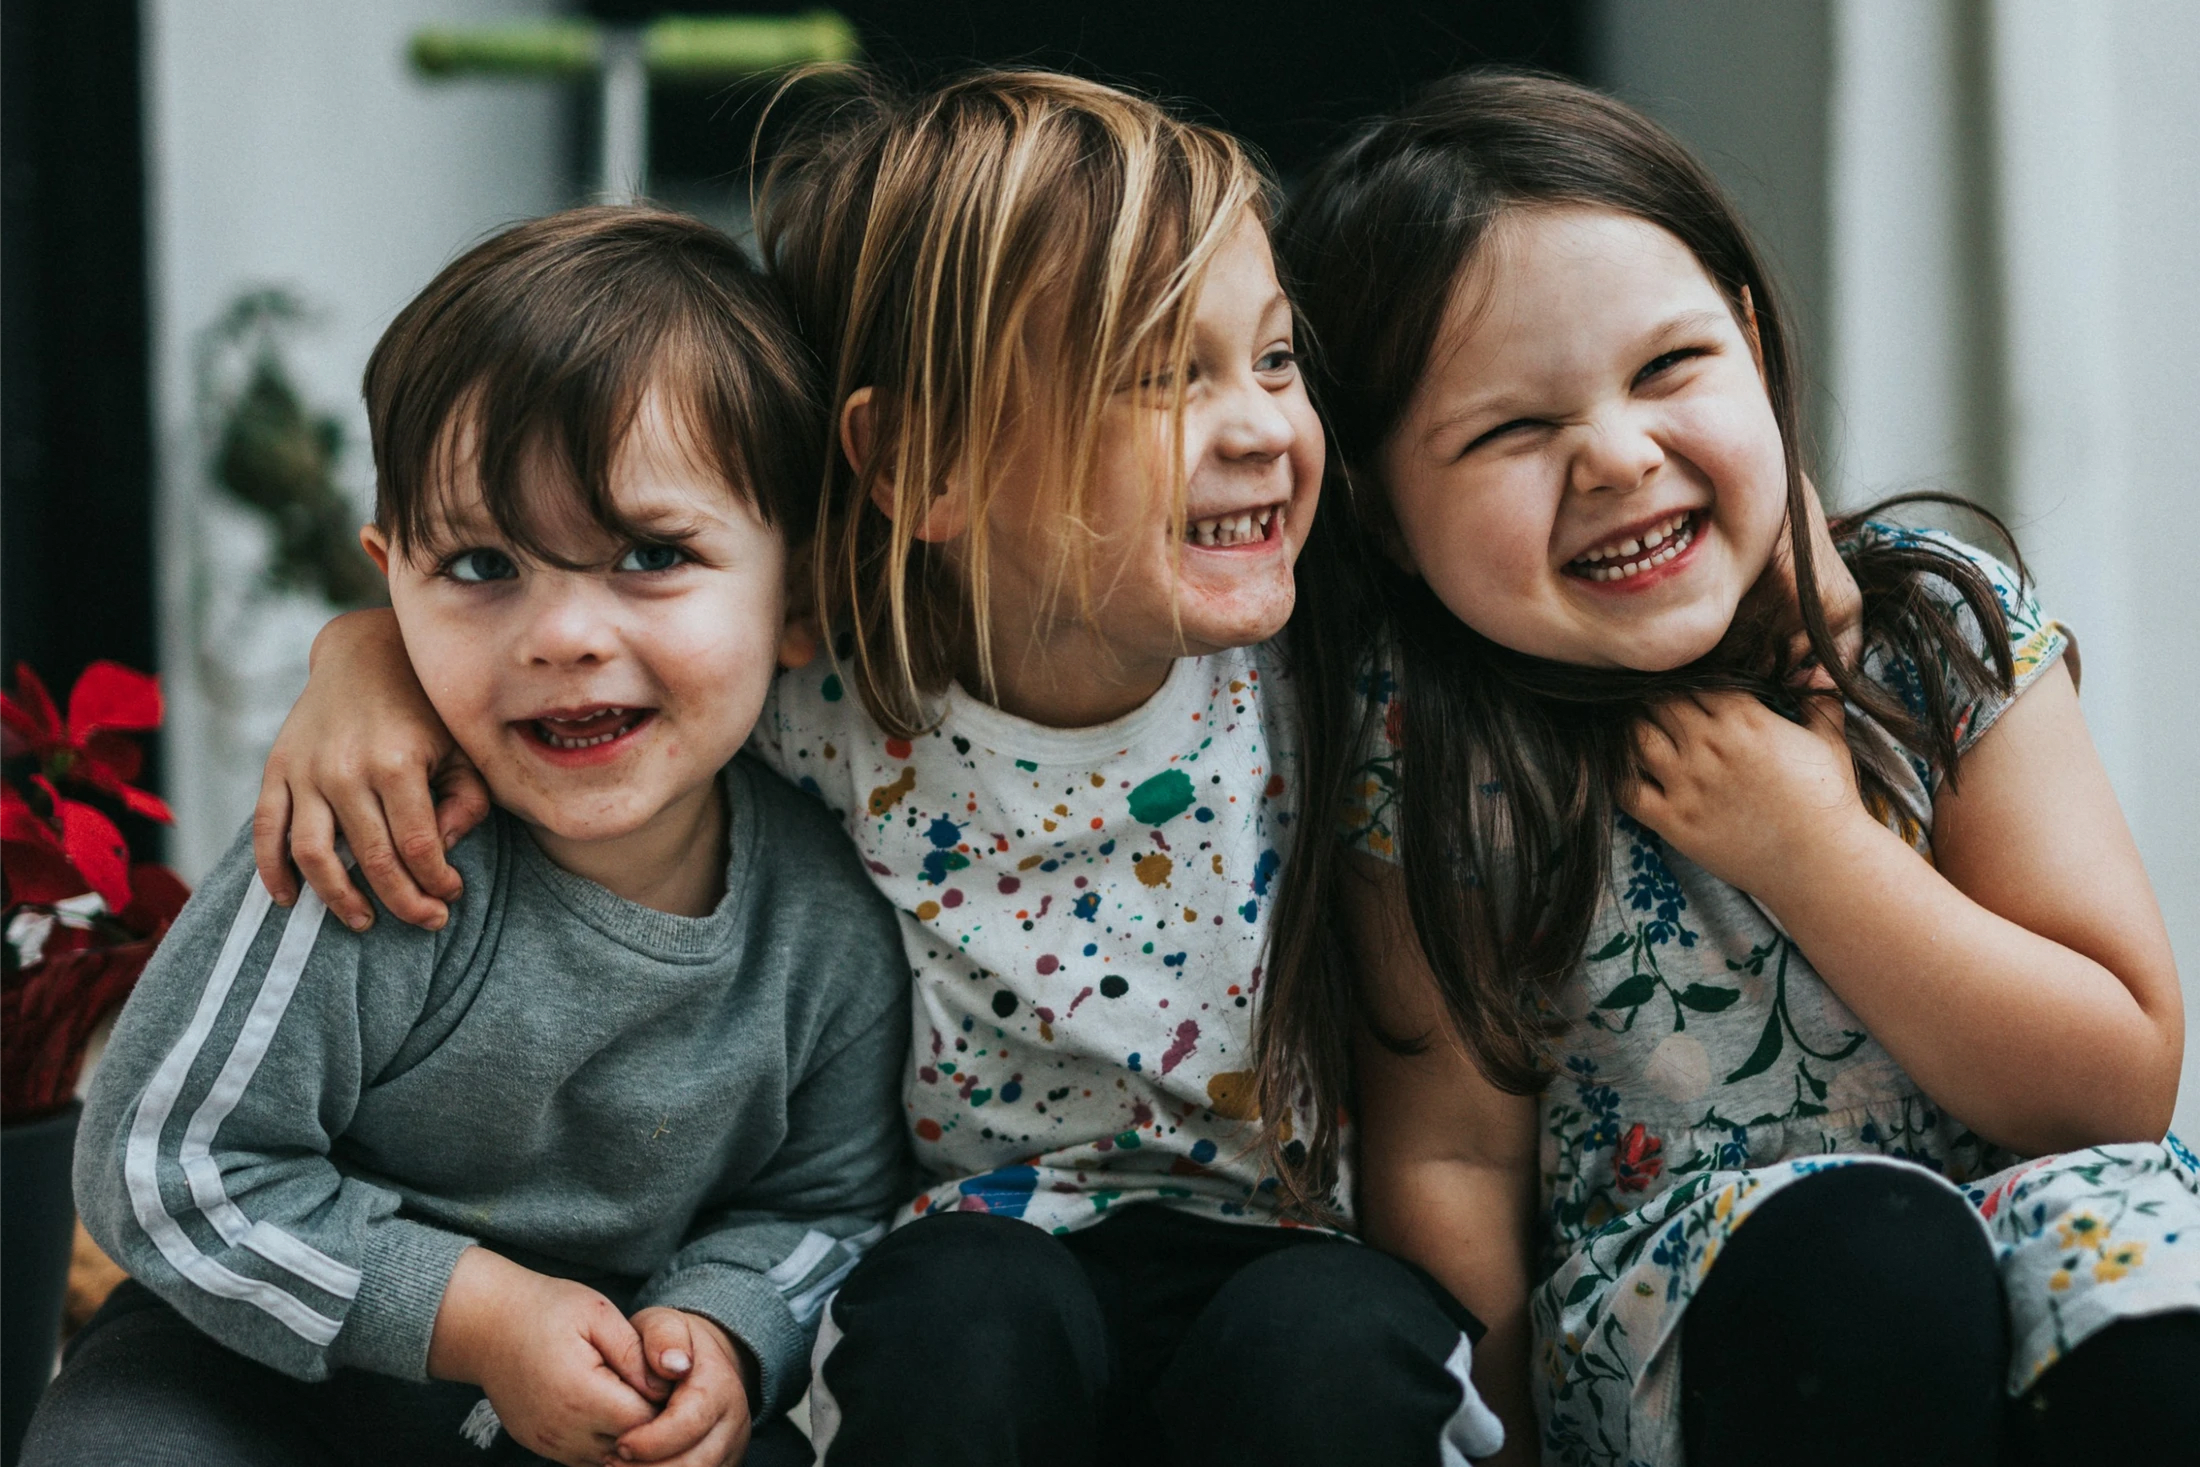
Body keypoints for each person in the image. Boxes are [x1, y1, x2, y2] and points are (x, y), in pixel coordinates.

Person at [236, 70, 1508, 1467]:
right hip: (981, 1247)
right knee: (958, 1324)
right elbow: (613, 656)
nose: (1264, 424)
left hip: (1287, 1249)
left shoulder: (1334, 667)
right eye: (1159, 376)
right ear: (920, 461)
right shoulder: (834, 691)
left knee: (1337, 1347)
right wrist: (366, 660)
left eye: (1272, 358)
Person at [1267, 70, 2200, 1467]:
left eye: (1668, 368)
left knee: (2152, 1281)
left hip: (2021, 1243)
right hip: (1689, 1313)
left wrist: (1812, 845)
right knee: (1871, 1258)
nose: (1619, 454)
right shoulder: (1435, 750)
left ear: (1755, 348)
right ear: (1384, 514)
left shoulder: (1936, 631)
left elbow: (2114, 1085)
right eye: (1511, 431)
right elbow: (1449, 1161)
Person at [24, 207, 911, 1467]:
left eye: (651, 554)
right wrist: (477, 1316)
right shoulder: (367, 851)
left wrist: (720, 1325)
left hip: (604, 1394)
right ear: (389, 581)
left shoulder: (824, 925)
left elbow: (823, 1205)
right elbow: (164, 1164)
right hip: (263, 1370)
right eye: (484, 565)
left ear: (803, 595)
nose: (561, 635)